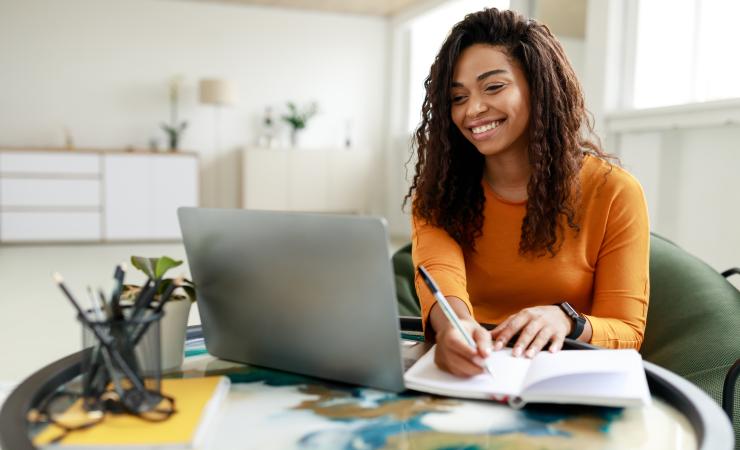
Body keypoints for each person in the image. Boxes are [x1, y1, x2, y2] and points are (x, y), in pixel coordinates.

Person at [405, 8, 649, 377]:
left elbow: (628, 330)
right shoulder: (439, 192)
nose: (473, 110)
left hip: (567, 379)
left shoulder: (614, 192)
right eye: (457, 97)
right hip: (471, 373)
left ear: (539, 86)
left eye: (494, 87)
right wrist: (453, 327)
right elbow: (442, 274)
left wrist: (567, 320)